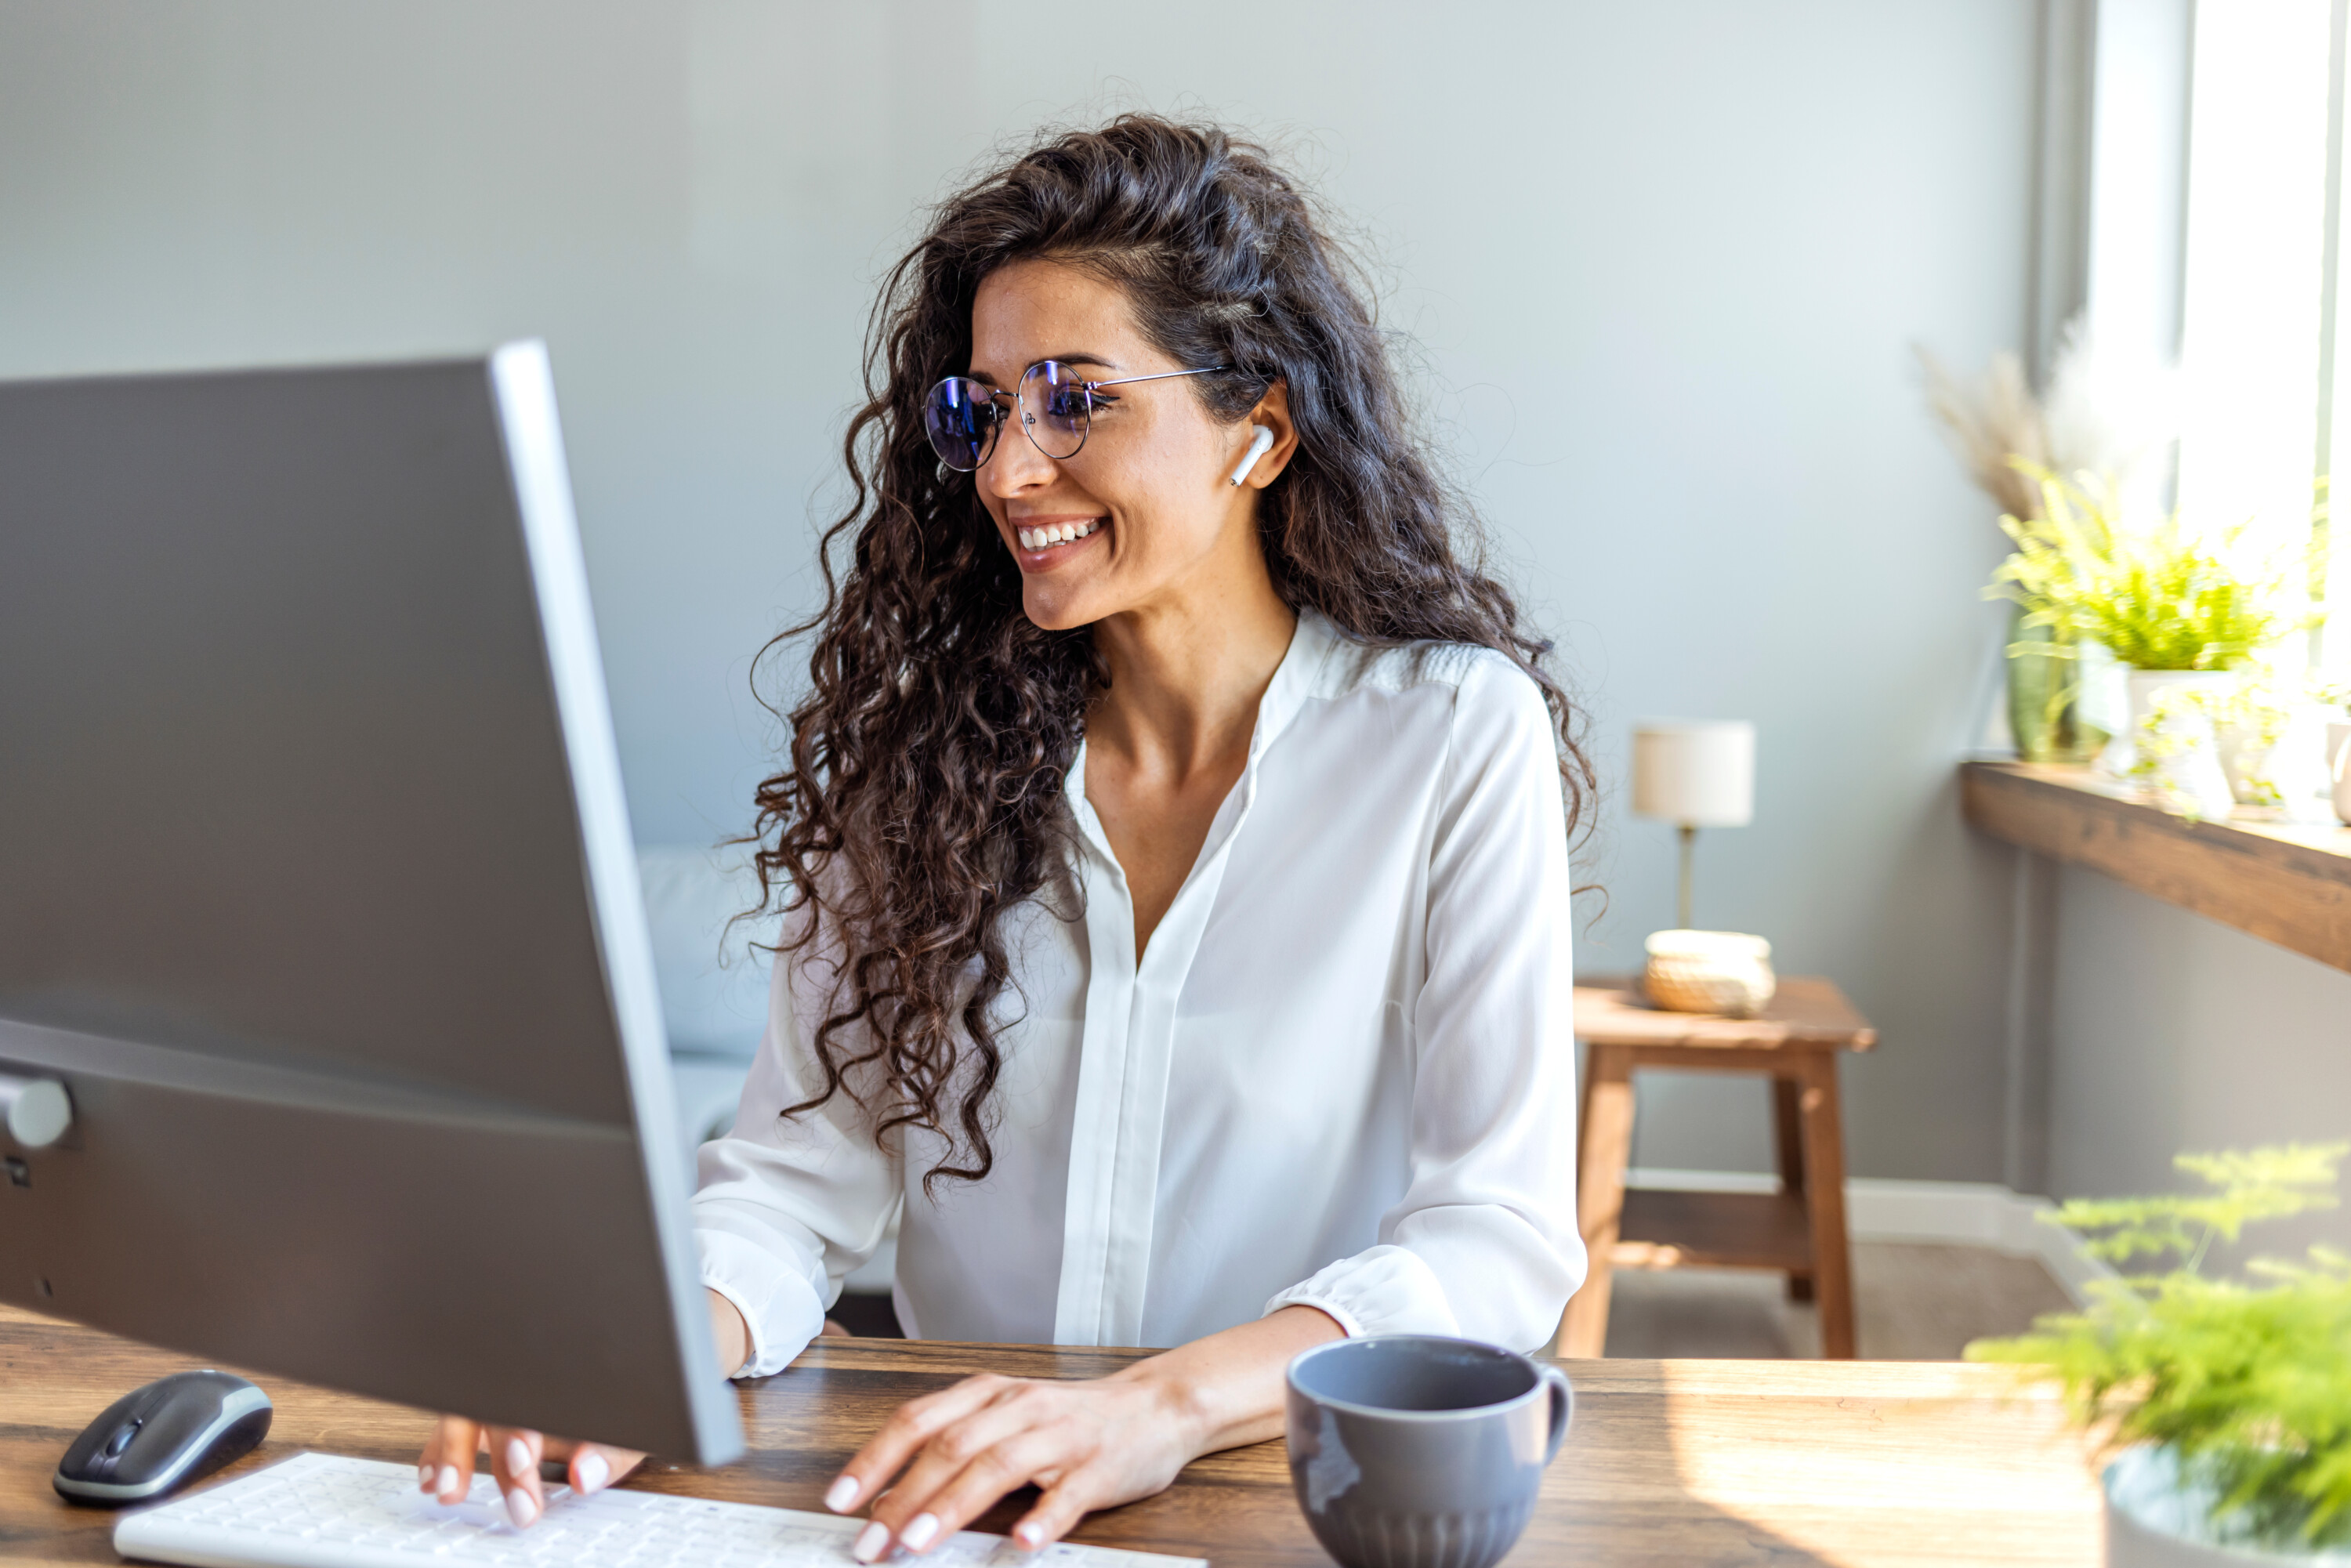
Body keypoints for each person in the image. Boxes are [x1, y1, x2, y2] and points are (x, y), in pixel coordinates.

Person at [416, 114, 1592, 1557]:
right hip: (949, 1509)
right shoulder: (930, 764)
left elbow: (1497, 1233)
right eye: (983, 412)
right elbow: (789, 1188)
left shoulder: (1449, 736)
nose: (1009, 472)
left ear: (1261, 430)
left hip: (1282, 1498)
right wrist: (637, 1353)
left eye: (1076, 401)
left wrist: (1156, 1407)